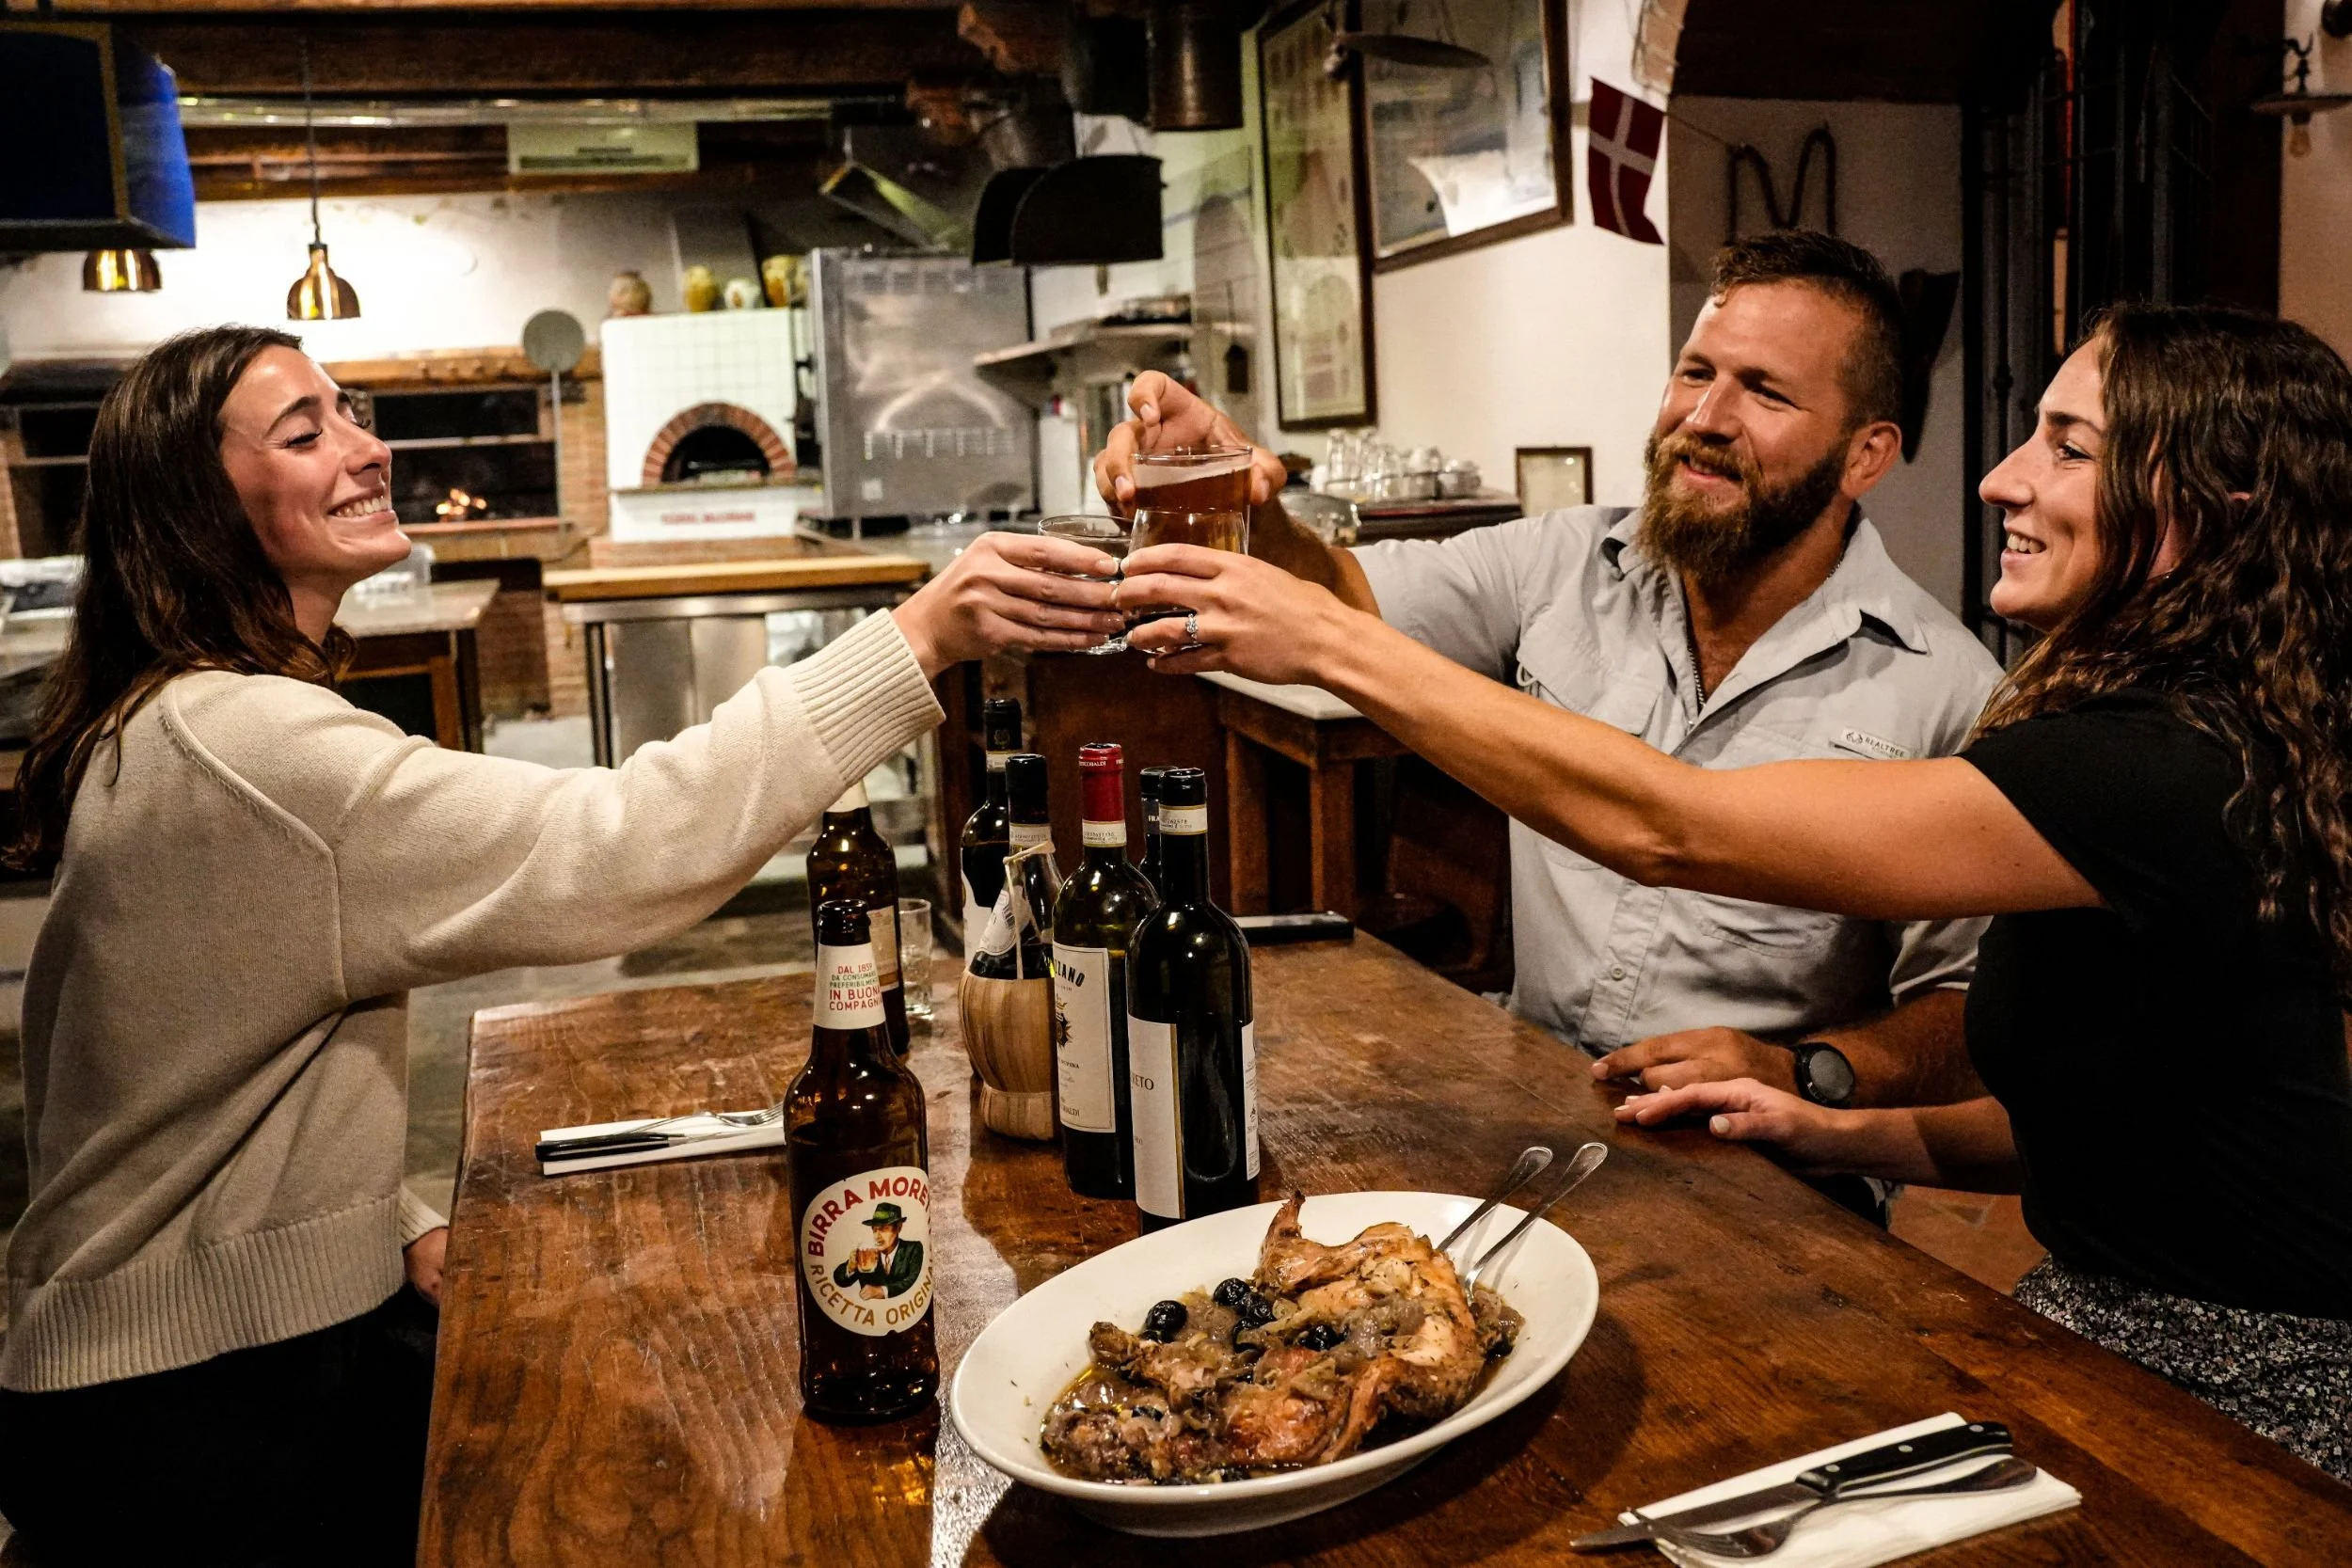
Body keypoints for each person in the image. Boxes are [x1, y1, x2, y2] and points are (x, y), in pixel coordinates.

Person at [1112, 303, 2352, 1481]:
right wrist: (1830, 1123)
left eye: (2067, 448)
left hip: (2237, 1387)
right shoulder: (2188, 735)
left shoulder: (2149, 767)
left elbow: (1674, 826)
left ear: (2211, 508)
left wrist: (1334, 650)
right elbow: (2124, 1124)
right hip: (2095, 1321)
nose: (2002, 477)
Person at [0, 325, 1124, 1564]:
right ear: (195, 502)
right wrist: (916, 638)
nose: (366, 450)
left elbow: (158, 1058)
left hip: (156, 1360)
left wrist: (380, 1208)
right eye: (302, 432)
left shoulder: (162, 719)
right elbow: (621, 846)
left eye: (348, 411)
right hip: (203, 1405)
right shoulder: (254, 747)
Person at [1099, 230, 2002, 1141]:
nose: (1707, 416)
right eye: (1695, 372)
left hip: (1772, 1156)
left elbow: (1971, 1003)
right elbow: (1343, 592)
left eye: (1763, 390)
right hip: (1536, 1098)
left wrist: (1810, 1067)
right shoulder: (1562, 560)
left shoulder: (1945, 686)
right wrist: (1254, 502)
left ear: (1865, 455)